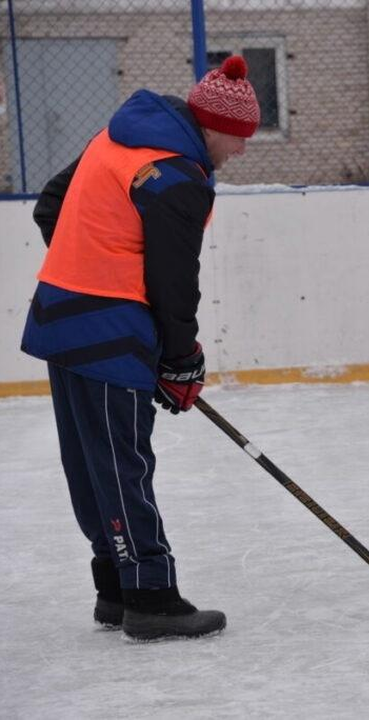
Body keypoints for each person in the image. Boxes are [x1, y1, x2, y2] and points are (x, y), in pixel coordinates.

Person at [20, 56, 260, 640]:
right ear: (211, 127)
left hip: (62, 319)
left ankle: (115, 588)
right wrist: (180, 358)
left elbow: (50, 207)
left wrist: (94, 269)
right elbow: (174, 281)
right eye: (239, 137)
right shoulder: (179, 175)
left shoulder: (118, 137)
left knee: (91, 461)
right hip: (108, 330)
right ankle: (150, 595)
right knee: (125, 464)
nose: (241, 151)